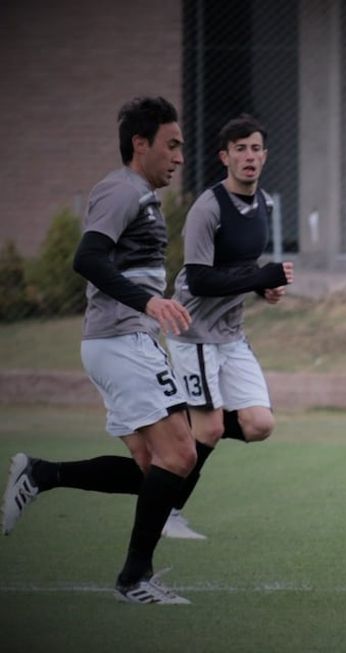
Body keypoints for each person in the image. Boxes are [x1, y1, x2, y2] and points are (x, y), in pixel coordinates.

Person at [1, 97, 197, 604]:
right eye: (171, 145)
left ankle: (42, 474)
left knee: (151, 472)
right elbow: (86, 257)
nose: (179, 157)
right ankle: (134, 580)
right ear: (140, 143)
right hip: (121, 339)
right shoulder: (120, 188)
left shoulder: (142, 195)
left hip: (123, 340)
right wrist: (149, 303)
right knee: (180, 456)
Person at [162, 114, 294, 539]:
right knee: (212, 428)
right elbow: (199, 278)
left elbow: (243, 269)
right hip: (193, 332)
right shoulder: (207, 208)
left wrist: (263, 289)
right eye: (240, 149)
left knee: (260, 425)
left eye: (255, 148)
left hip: (231, 334)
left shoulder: (264, 205)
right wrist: (261, 278)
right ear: (225, 157)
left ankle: (181, 424)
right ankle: (167, 512)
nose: (249, 156)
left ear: (265, 155)